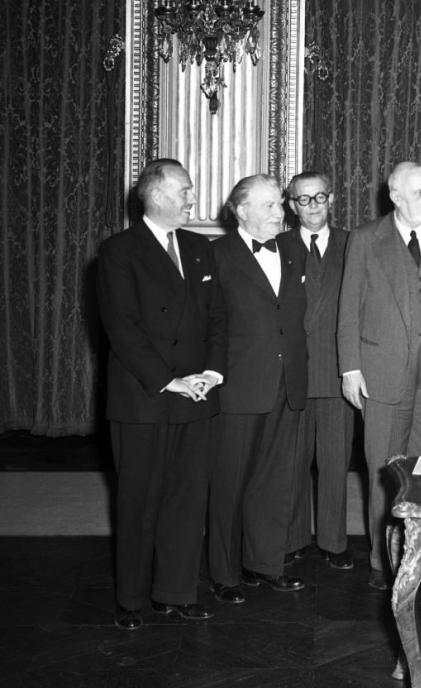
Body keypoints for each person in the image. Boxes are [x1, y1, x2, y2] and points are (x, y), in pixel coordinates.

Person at [97, 159, 225, 630]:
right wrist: (168, 380)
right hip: (144, 397)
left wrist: (211, 373)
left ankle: (177, 591)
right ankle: (131, 599)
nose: (193, 198)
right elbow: (122, 327)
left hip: (196, 395)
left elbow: (218, 318)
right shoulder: (118, 250)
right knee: (139, 501)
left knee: (187, 501)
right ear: (155, 195)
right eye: (184, 190)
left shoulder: (199, 247)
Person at [337, 161, 421, 590]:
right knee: (385, 467)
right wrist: (350, 368)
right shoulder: (365, 238)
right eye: (419, 193)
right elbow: (348, 309)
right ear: (395, 196)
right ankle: (384, 561)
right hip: (382, 371)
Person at [209, 174, 308, 603]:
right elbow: (209, 325)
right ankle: (224, 572)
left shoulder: (294, 251)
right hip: (239, 386)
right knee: (229, 483)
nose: (279, 212)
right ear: (240, 210)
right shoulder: (216, 255)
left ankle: (265, 563)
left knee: (274, 481)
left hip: (288, 384)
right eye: (268, 205)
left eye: (279, 204)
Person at [283, 171, 356, 570]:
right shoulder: (277, 246)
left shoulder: (353, 244)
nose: (312, 206)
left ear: (332, 199)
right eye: (303, 199)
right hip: (291, 375)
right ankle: (293, 539)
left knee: (334, 464)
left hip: (338, 372)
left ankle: (333, 541)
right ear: (291, 205)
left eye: (320, 197)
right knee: (292, 464)